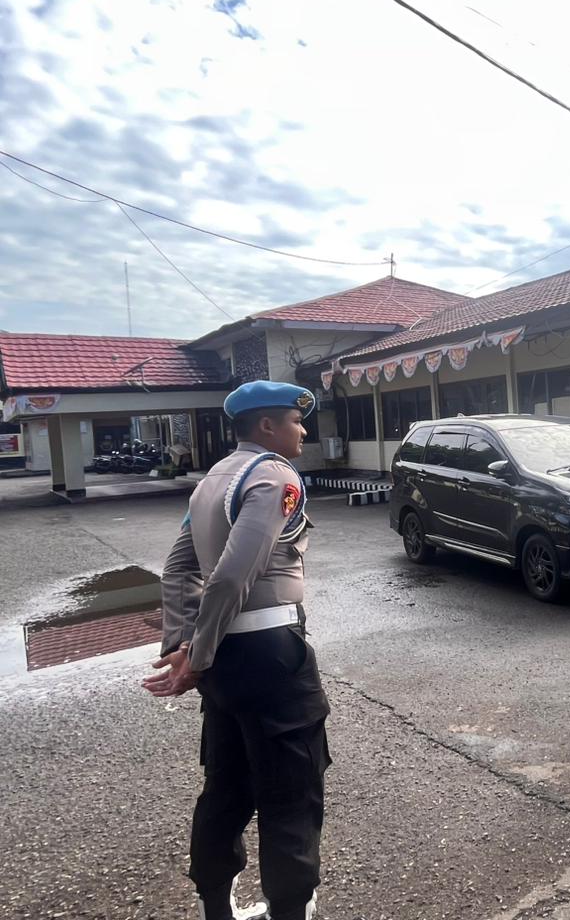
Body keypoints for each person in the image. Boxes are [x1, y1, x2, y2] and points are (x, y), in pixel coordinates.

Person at [143, 381, 329, 920]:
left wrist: (185, 645)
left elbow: (179, 569)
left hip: (224, 663)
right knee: (291, 789)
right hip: (271, 654)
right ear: (267, 426)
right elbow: (230, 578)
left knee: (226, 785)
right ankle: (289, 910)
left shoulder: (212, 481)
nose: (303, 430)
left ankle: (217, 909)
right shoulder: (275, 476)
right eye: (295, 421)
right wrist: (195, 657)